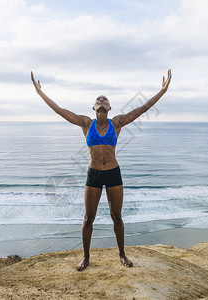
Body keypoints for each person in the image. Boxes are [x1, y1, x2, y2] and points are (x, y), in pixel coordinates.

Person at [31, 69, 172, 271]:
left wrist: (163, 92)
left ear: (109, 106)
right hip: (94, 174)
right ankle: (86, 257)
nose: (102, 101)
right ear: (94, 107)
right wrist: (40, 93)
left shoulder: (118, 122)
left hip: (114, 173)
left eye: (105, 99)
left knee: (117, 216)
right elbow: (59, 110)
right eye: (99, 100)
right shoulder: (85, 123)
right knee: (89, 218)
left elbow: (142, 109)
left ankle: (122, 254)